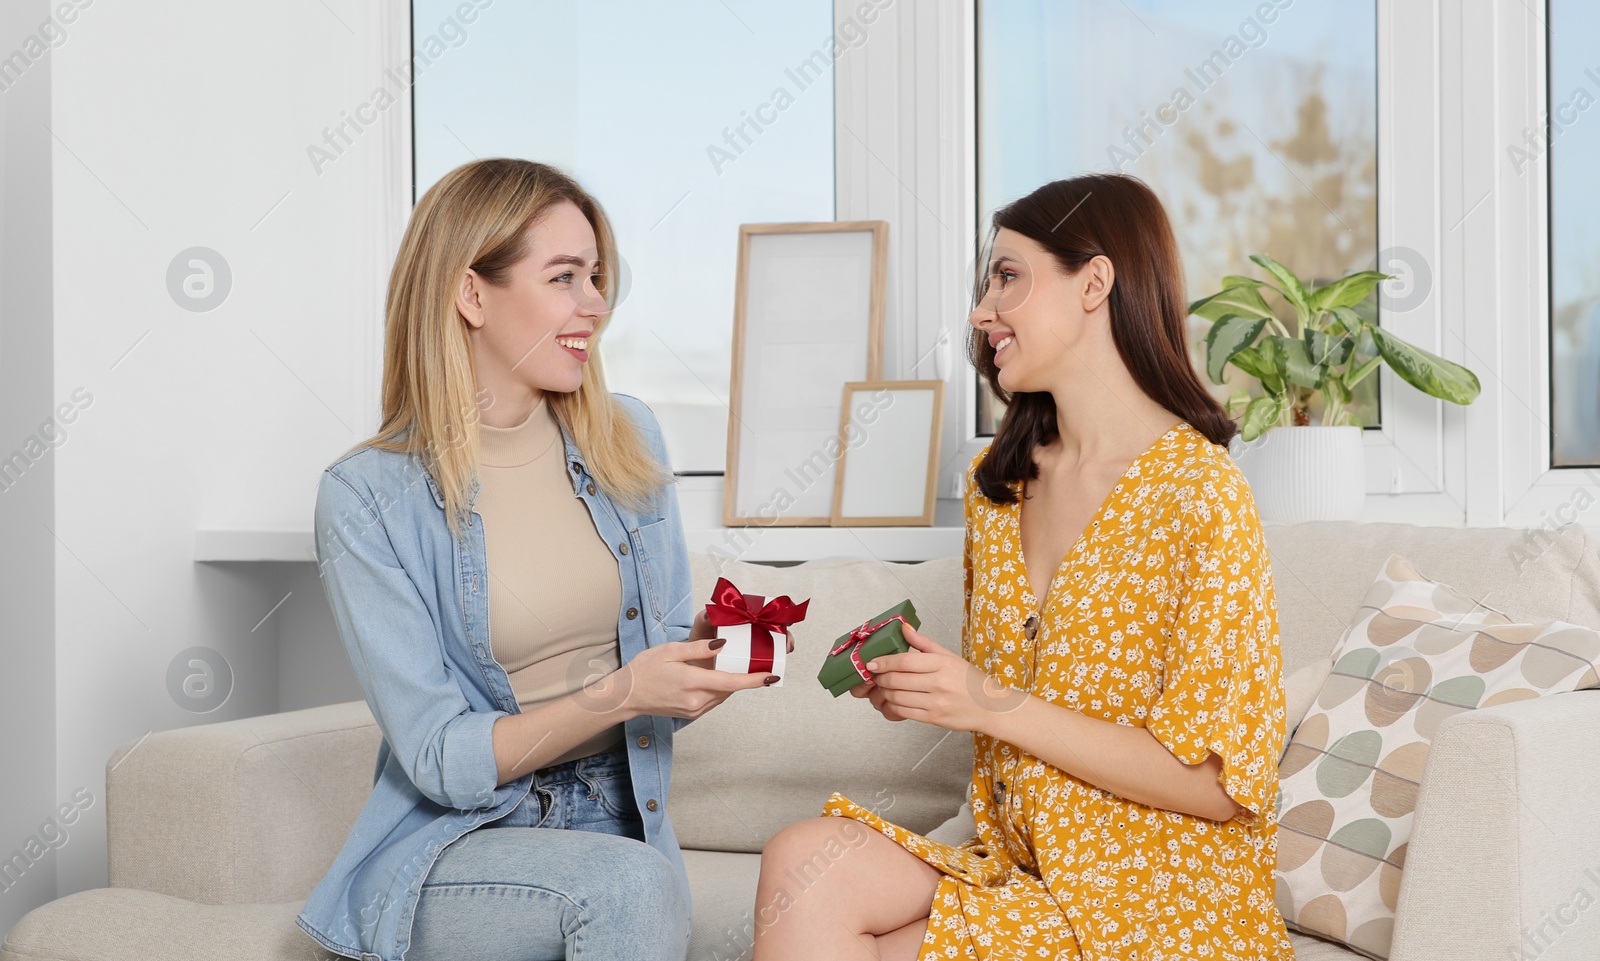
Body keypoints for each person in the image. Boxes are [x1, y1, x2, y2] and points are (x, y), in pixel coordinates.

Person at [752, 173, 1294, 960]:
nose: (981, 310)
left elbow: (1216, 782)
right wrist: (933, 688)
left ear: (1094, 283)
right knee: (801, 862)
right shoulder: (997, 490)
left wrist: (985, 700)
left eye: (1007, 276)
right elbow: (1013, 701)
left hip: (1162, 891)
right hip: (1023, 865)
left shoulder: (1201, 493)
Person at [294, 158, 776, 961]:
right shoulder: (367, 496)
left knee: (628, 878)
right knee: (628, 887)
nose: (596, 302)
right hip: (465, 839)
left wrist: (704, 666)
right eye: (564, 277)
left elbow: (655, 669)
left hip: (624, 813)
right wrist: (625, 690)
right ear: (472, 293)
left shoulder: (629, 438)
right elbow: (442, 758)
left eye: (596, 275)